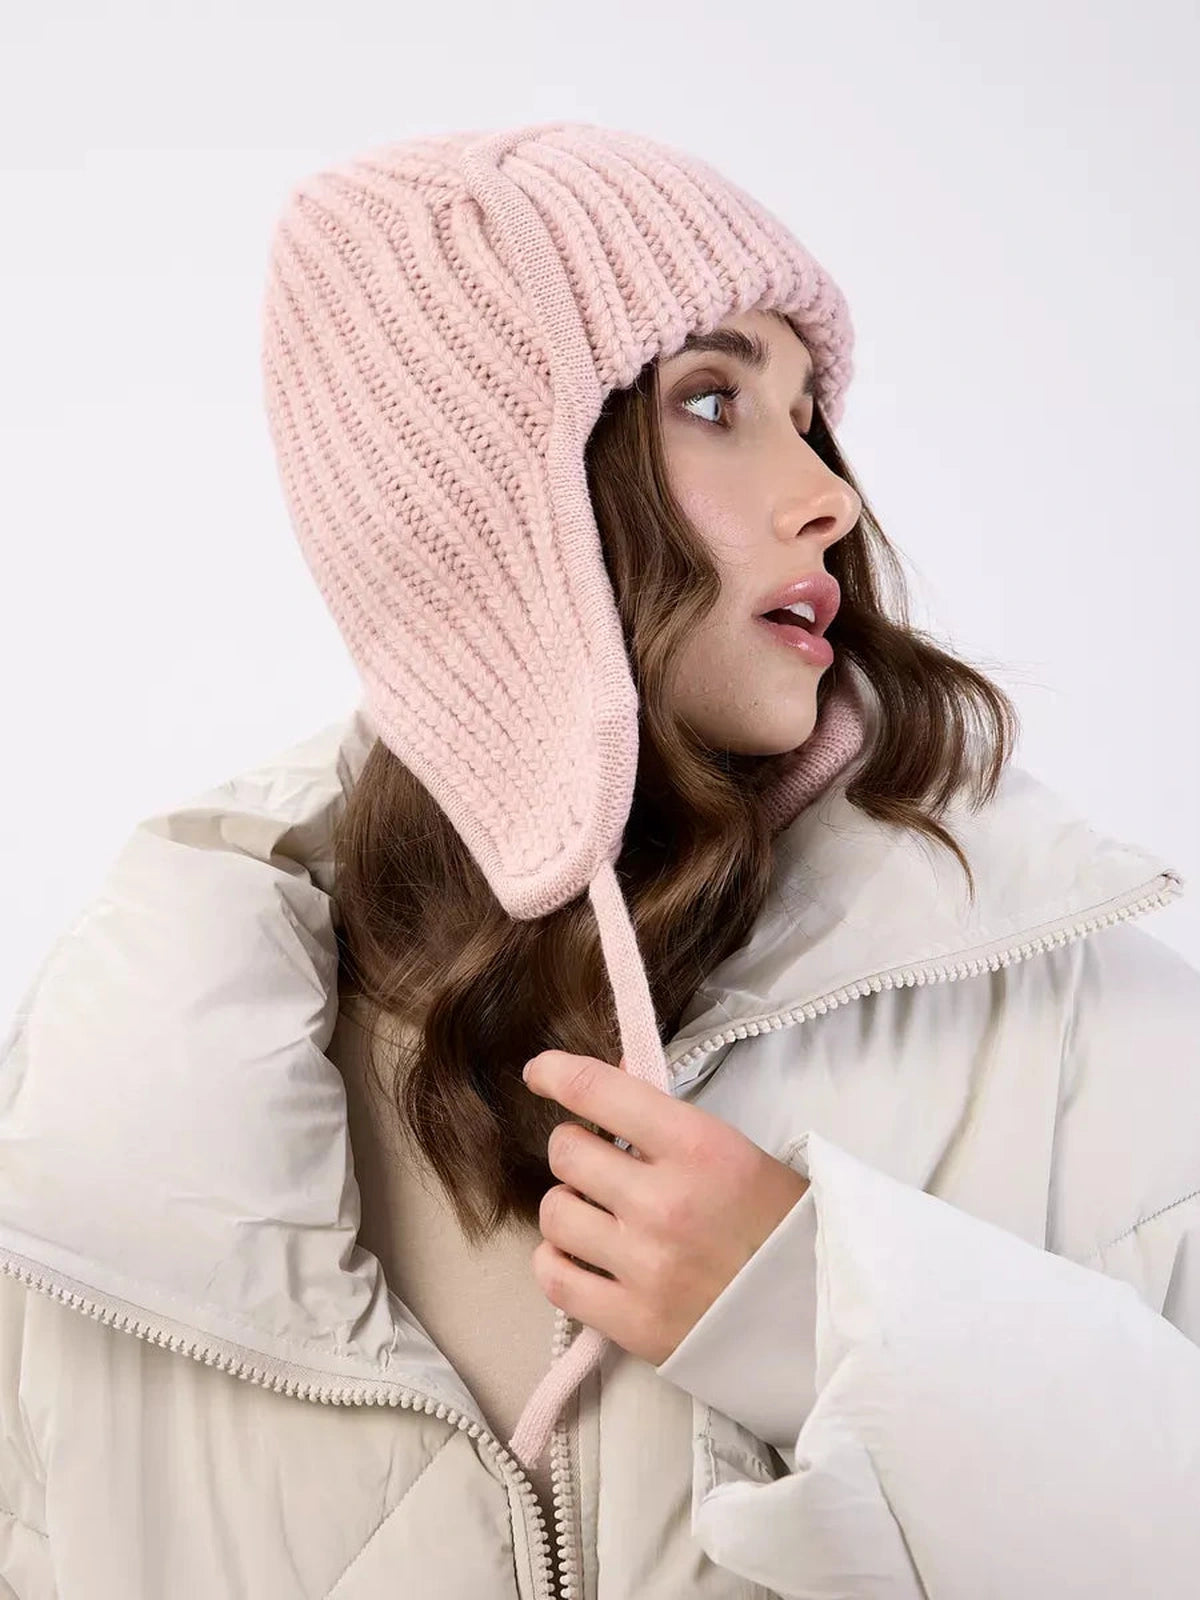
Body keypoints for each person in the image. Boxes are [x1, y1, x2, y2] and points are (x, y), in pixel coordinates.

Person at [1, 120, 1197, 1600]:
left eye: (809, 414)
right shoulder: (120, 1093)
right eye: (715, 399)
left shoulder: (1069, 1017)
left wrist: (826, 1320)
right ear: (480, 497)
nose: (828, 494)